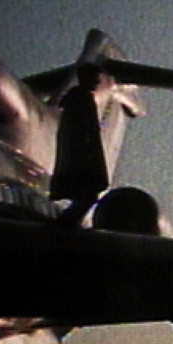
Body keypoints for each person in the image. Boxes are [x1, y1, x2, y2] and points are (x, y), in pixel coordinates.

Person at [50, 63, 109, 226]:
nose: (97, 83)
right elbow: (86, 131)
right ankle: (63, 225)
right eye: (95, 79)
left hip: (80, 155)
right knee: (88, 196)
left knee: (86, 197)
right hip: (82, 157)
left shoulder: (77, 98)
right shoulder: (82, 98)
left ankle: (65, 223)